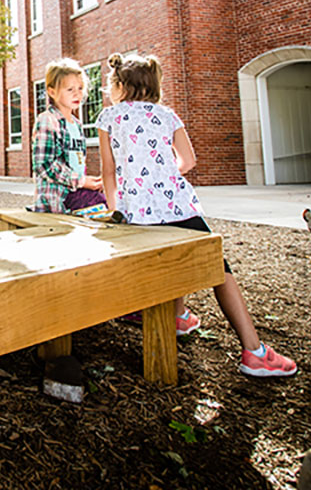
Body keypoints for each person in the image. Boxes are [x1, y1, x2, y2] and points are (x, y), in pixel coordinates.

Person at [96, 52, 298, 378]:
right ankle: (254, 352)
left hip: (136, 211)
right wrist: (162, 175)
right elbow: (188, 161)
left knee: (167, 255)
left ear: (119, 86)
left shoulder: (108, 118)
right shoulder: (168, 116)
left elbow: (108, 172)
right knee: (220, 270)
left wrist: (114, 209)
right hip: (178, 205)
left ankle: (179, 317)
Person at [30, 58, 104, 215]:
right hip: (59, 199)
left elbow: (76, 164)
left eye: (80, 88)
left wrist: (90, 182)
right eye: (70, 90)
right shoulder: (47, 120)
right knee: (102, 205)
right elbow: (44, 165)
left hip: (78, 192)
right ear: (52, 92)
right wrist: (82, 181)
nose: (77, 94)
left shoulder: (76, 124)